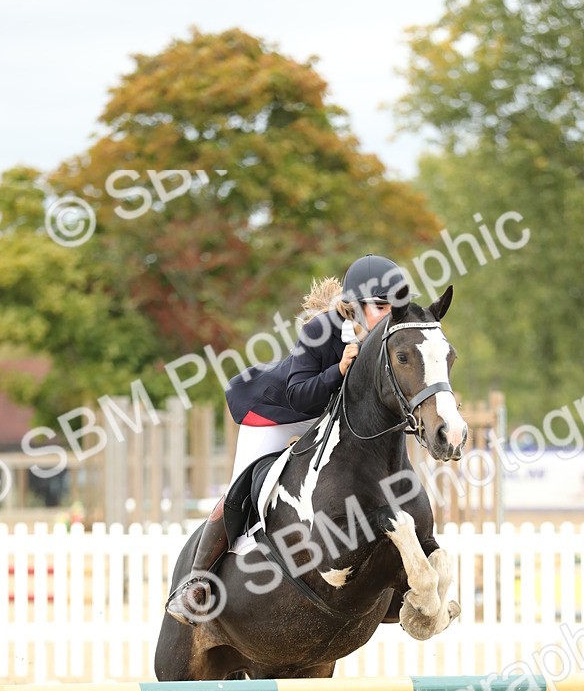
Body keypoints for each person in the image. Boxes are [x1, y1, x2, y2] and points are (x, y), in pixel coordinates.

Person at [166, 254, 410, 624]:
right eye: (381, 305)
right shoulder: (322, 331)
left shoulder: (387, 343)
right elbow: (298, 395)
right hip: (277, 414)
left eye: (395, 305)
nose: (390, 314)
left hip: (325, 417)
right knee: (243, 487)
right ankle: (196, 584)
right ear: (356, 306)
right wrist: (338, 370)